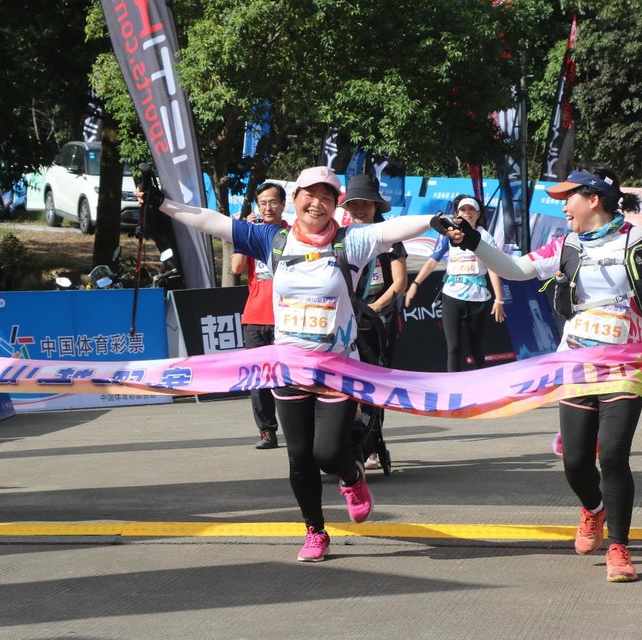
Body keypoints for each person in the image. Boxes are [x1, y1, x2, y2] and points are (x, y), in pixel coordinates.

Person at [441, 166, 642, 583]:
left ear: (593, 199)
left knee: (614, 455)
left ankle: (619, 546)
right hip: (576, 362)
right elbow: (514, 269)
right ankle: (593, 509)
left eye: (569, 199)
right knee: (575, 462)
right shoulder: (565, 245)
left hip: (626, 363)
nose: (564, 208)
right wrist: (473, 240)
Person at [151, 166, 435, 562]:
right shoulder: (274, 240)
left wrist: (435, 219)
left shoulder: (351, 242)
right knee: (299, 457)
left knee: (327, 454)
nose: (316, 203)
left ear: (336, 205)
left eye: (326, 197)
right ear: (296, 198)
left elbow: (393, 229)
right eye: (309, 195)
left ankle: (351, 475)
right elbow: (213, 222)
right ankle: (315, 531)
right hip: (289, 370)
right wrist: (163, 204)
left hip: (337, 369)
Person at [340, 173, 408, 470]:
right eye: (353, 203)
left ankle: (372, 445)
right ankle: (344, 444)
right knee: (344, 385)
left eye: (365, 204)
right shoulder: (339, 237)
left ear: (376, 205)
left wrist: (373, 309)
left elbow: (399, 283)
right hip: (343, 321)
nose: (358, 209)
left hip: (376, 321)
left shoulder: (388, 235)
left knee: (373, 384)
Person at [405, 195, 506, 372]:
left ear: (478, 214)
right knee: (453, 347)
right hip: (451, 295)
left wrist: (499, 299)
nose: (467, 213)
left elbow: (493, 267)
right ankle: (453, 384)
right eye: (463, 210)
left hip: (477, 297)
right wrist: (415, 284)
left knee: (476, 346)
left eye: (471, 210)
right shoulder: (449, 235)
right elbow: (432, 261)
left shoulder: (485, 237)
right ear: (457, 213)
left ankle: (482, 381)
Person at [230, 182, 289, 448]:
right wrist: (246, 234)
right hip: (255, 317)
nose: (268, 207)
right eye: (262, 203)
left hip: (287, 317)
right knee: (259, 378)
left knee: (289, 378)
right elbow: (236, 268)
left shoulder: (293, 233)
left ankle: (297, 430)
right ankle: (267, 431)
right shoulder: (251, 233)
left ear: (283, 204)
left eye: (273, 202)